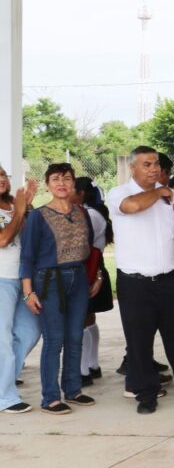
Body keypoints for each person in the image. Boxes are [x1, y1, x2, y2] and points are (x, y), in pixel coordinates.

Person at [107, 148, 174, 414]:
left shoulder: (170, 196)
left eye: (156, 164)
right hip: (135, 282)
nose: (153, 169)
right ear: (133, 168)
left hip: (168, 278)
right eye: (146, 164)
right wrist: (160, 192)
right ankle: (146, 392)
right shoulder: (119, 193)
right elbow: (133, 207)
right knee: (139, 341)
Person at [19, 164, 97, 415]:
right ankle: (50, 397)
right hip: (49, 281)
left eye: (66, 178)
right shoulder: (38, 216)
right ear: (48, 184)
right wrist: (28, 292)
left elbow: (92, 248)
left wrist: (97, 275)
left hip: (78, 277)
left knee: (75, 336)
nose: (61, 183)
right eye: (55, 179)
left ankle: (73, 389)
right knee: (54, 340)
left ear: (73, 183)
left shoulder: (81, 213)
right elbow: (27, 256)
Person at [0, 165, 38, 414]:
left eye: (3, 174)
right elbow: (3, 240)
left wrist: (26, 207)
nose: (1, 179)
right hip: (1, 279)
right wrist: (22, 209)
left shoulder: (17, 204)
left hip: (23, 280)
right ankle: (6, 397)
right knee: (2, 340)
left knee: (30, 331)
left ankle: (4, 384)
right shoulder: (18, 207)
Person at [73, 177, 112, 386]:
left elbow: (80, 245)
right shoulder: (95, 212)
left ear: (80, 193)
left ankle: (83, 371)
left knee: (80, 321)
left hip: (87, 269)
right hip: (93, 268)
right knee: (88, 319)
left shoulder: (88, 214)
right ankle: (92, 365)